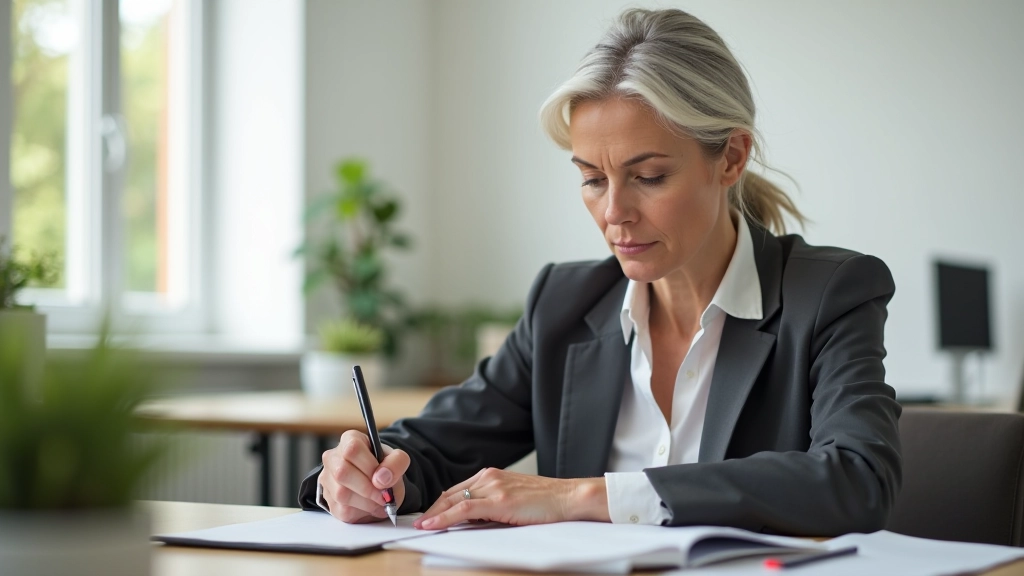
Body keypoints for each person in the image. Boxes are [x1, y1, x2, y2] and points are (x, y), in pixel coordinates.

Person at [298, 7, 901, 536]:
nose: (614, 213)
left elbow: (857, 478)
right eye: (591, 178)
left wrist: (580, 496)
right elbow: (430, 451)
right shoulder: (564, 302)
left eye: (649, 176)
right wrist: (361, 475)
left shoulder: (828, 294)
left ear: (731, 158)